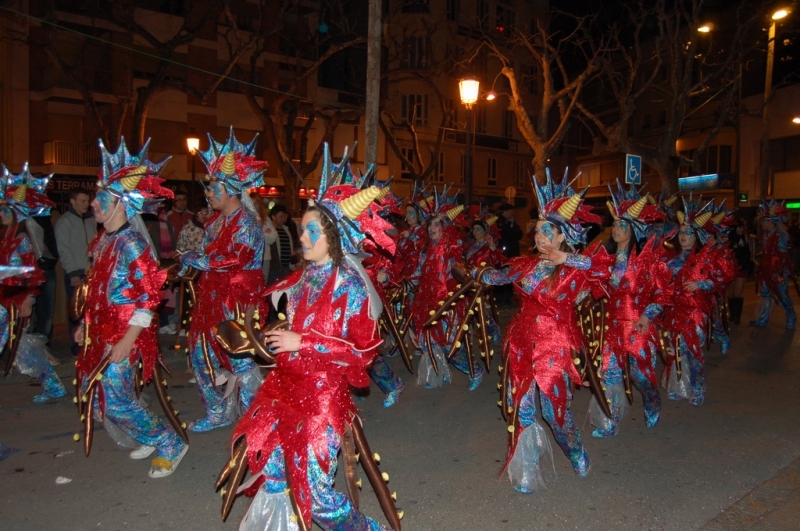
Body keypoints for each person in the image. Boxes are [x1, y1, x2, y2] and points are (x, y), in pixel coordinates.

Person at [220, 146, 400, 530]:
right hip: (281, 389)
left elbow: (363, 352)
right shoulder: (299, 278)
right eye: (302, 228)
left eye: (311, 230)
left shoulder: (349, 285)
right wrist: (269, 336)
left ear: (332, 237)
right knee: (269, 465)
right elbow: (287, 326)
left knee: (317, 496)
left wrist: (303, 342)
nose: (301, 236)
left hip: (321, 398)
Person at [477, 173, 612, 492]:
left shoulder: (575, 270)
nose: (540, 236)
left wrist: (568, 258)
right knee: (520, 407)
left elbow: (607, 272)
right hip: (522, 343)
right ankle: (528, 468)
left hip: (555, 347)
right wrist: (480, 273)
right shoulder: (524, 265)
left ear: (563, 235)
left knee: (555, 413)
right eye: (538, 230)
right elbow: (496, 276)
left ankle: (576, 451)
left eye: (548, 230)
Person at [74, 138, 188, 478]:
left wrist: (127, 340)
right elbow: (97, 291)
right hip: (102, 331)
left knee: (118, 401)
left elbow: (148, 298)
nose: (94, 203)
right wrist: (85, 324)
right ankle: (149, 435)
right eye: (96, 196)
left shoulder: (133, 244)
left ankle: (169, 442)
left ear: (121, 205)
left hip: (126, 332)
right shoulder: (104, 239)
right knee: (100, 396)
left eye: (102, 198)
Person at [178, 128, 268, 433]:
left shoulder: (249, 224)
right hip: (211, 297)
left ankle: (256, 416)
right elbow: (205, 256)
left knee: (239, 360)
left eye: (215, 189)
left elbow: (235, 260)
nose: (209, 195)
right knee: (200, 356)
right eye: (209, 189)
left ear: (231, 190)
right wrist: (186, 265)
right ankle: (217, 412)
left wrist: (198, 260)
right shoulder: (215, 222)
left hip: (238, 300)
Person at [589, 182, 670, 438]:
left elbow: (662, 292)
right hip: (612, 325)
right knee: (608, 373)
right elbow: (597, 290)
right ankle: (610, 422)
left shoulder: (648, 259)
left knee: (640, 376)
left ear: (633, 230)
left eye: (622, 225)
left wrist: (647, 316)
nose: (616, 229)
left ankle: (652, 401)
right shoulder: (608, 259)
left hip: (638, 324)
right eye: (614, 224)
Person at [0, 163, 66, 403]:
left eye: (6, 210)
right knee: (23, 349)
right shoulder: (6, 238)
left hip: (16, 302)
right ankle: (54, 385)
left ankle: (53, 385)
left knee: (22, 348)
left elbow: (35, 273)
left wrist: (28, 298)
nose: (1, 214)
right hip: (4, 299)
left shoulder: (23, 240)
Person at [660, 197, 735, 406]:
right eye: (681, 232)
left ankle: (699, 387)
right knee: (676, 349)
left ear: (697, 235)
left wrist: (701, 284)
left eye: (688, 233)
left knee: (693, 349)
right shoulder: (672, 258)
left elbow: (723, 276)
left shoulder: (706, 257)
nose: (683, 236)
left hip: (696, 310)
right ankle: (680, 386)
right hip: (675, 310)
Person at [410, 190, 483, 390]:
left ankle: (474, 370)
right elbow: (418, 272)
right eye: (430, 224)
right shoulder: (425, 249)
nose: (432, 227)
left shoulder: (451, 246)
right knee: (428, 342)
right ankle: (437, 372)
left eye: (437, 224)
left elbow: (457, 268)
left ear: (444, 227)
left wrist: (471, 277)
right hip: (427, 300)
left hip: (447, 302)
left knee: (450, 345)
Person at [54, 187, 96, 355]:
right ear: (72, 201)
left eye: (87, 201)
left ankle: (90, 342)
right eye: (82, 201)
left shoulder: (92, 219)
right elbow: (64, 250)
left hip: (91, 271)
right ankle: (77, 345)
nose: (86, 204)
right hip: (76, 273)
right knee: (76, 312)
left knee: (91, 310)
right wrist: (72, 273)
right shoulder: (65, 222)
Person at [750, 200, 796, 330]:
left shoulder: (780, 235)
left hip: (778, 271)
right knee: (765, 294)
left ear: (770, 221)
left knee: (782, 294)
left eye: (763, 220)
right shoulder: (766, 235)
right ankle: (763, 319)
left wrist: (777, 271)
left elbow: (782, 255)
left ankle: (791, 317)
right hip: (767, 270)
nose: (761, 223)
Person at [263, 203, 297, 286]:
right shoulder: (270, 231)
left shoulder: (286, 230)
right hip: (274, 269)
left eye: (285, 216)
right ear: (273, 217)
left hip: (286, 268)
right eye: (281, 216)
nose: (284, 219)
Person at [728, 218, 752, 324]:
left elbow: (747, 254)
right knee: (731, 293)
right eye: (739, 227)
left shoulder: (745, 238)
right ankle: (732, 314)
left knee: (738, 292)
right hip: (731, 268)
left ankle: (737, 317)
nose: (741, 229)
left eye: (742, 227)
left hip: (742, 267)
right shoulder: (730, 239)